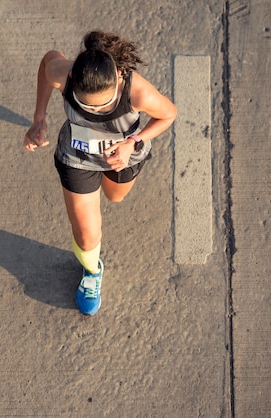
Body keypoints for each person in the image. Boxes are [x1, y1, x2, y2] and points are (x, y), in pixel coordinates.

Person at [23, 30, 177, 315]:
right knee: (86, 234)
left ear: (119, 78)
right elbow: (48, 63)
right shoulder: (63, 74)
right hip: (77, 157)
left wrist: (132, 142)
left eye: (105, 105)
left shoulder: (137, 90)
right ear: (71, 81)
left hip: (121, 158)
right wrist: (39, 118)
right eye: (86, 105)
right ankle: (92, 272)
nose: (96, 112)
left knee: (114, 197)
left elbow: (168, 114)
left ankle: (114, 175)